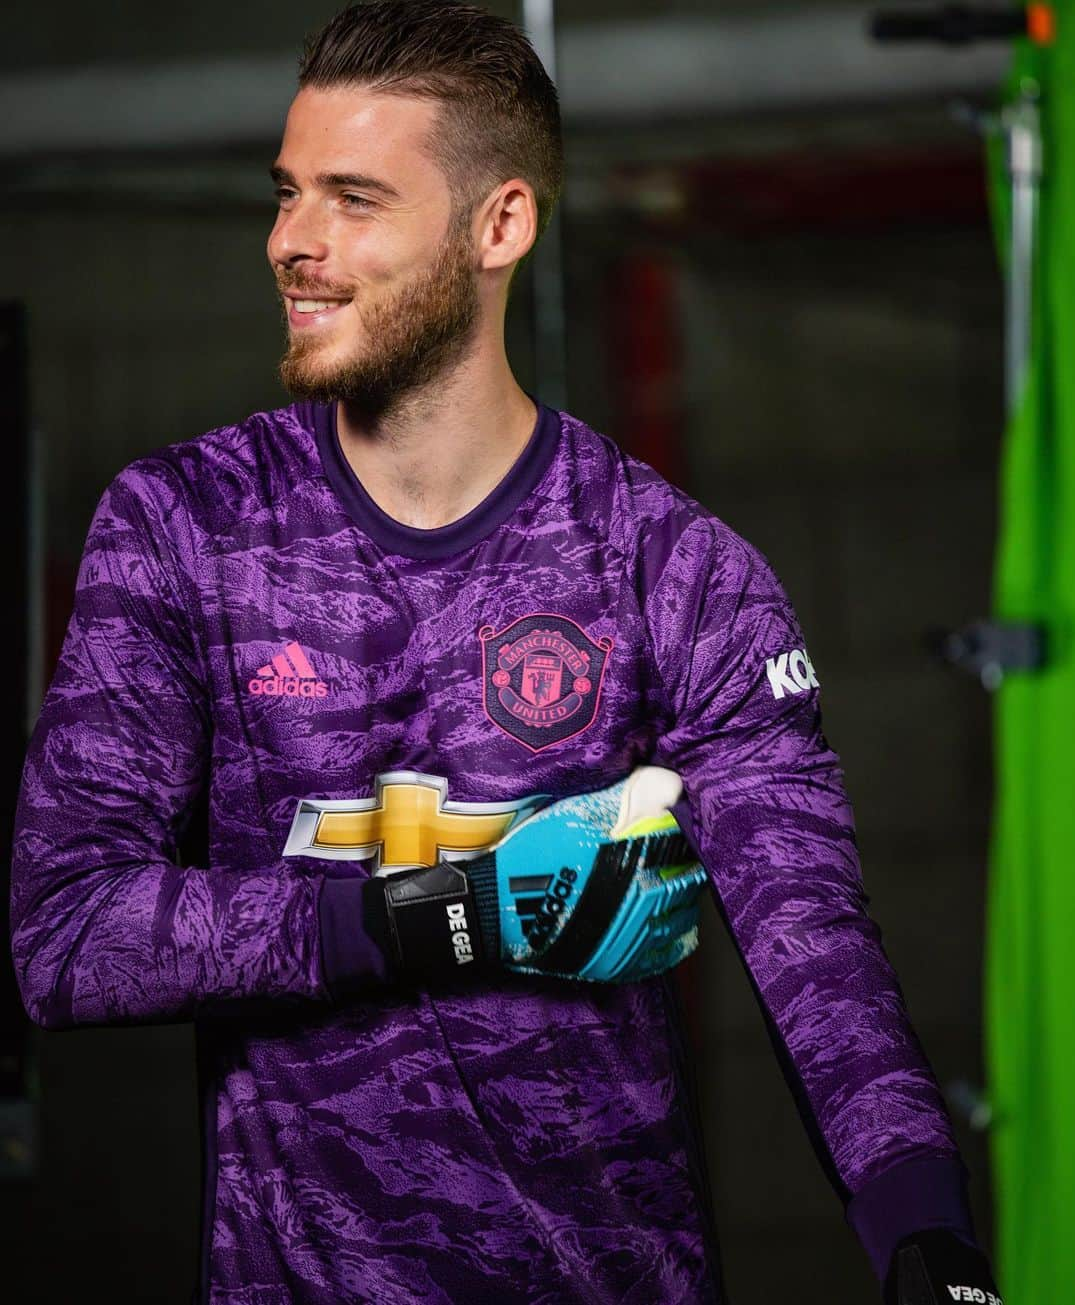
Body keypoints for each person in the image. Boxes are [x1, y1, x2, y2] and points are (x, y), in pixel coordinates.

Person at [10, 3, 1002, 1302]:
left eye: (354, 201)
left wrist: (931, 1245)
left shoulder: (671, 569)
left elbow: (816, 949)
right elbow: (68, 931)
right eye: (287, 193)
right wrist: (458, 914)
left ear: (501, 227)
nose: (291, 244)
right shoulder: (185, 526)